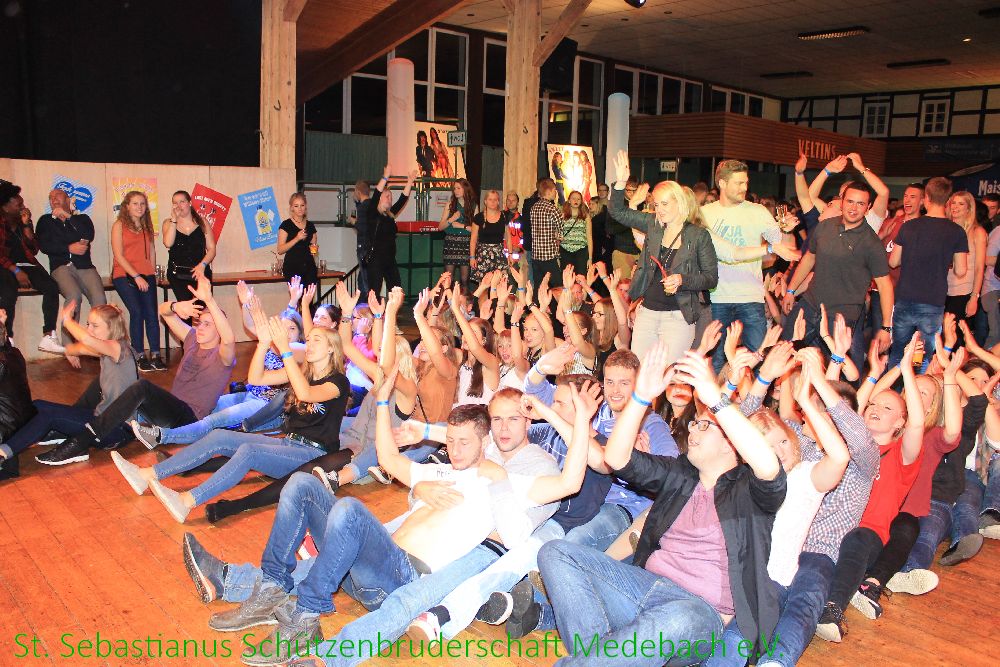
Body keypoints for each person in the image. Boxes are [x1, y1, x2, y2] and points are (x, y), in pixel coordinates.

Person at [536, 343, 785, 666]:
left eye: (704, 424)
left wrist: (715, 396)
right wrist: (640, 398)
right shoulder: (680, 473)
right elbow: (616, 458)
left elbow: (769, 465)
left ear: (730, 443)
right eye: (694, 423)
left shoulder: (749, 491)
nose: (693, 429)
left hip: (698, 612)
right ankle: (605, 658)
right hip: (642, 586)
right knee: (556, 553)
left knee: (677, 618)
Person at [110, 305, 349, 524]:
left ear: (331, 348)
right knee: (219, 436)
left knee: (249, 451)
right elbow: (256, 378)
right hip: (289, 444)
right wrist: (263, 343)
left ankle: (187, 501)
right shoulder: (302, 373)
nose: (309, 343)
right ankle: (146, 475)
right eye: (309, 339)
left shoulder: (339, 382)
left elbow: (306, 394)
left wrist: (285, 350)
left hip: (312, 455)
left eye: (316, 339)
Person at [42, 276, 236, 463]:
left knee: (142, 387)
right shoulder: (193, 339)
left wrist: (209, 300)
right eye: (199, 322)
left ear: (219, 329)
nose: (200, 327)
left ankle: (81, 440)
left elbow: (229, 339)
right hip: (171, 410)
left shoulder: (222, 356)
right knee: (104, 384)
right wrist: (175, 306)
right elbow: (163, 312)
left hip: (189, 420)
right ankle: (67, 427)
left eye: (207, 324)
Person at [608, 151, 719, 362]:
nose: (659, 210)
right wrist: (620, 183)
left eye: (665, 204)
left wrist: (682, 280)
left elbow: (710, 278)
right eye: (656, 205)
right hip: (647, 313)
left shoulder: (697, 235)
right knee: (640, 372)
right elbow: (618, 212)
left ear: (680, 202)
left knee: (668, 373)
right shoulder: (653, 224)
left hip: (677, 316)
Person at [9, 303, 137, 467]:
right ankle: (54, 433)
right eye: (88, 324)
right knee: (38, 405)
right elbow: (82, 347)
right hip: (100, 419)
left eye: (95, 326)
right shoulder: (108, 350)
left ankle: (5, 451)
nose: (89, 329)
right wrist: (69, 351)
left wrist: (67, 320)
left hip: (116, 429)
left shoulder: (119, 348)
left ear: (111, 327)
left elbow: (86, 340)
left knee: (50, 416)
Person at [782, 183, 894, 365]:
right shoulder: (825, 226)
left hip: (841, 316)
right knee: (784, 356)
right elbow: (809, 258)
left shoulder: (871, 243)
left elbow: (885, 286)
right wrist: (790, 291)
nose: (854, 208)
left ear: (868, 208)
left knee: (831, 370)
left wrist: (886, 327)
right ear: (841, 202)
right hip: (809, 305)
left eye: (860, 204)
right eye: (850, 201)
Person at [701, 159, 784, 371]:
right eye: (738, 183)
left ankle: (756, 393)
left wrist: (782, 227)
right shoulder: (705, 213)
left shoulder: (758, 211)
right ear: (722, 183)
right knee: (716, 360)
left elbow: (777, 243)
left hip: (751, 296)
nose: (744, 188)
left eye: (746, 182)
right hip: (718, 296)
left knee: (757, 358)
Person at [888, 177, 969, 369]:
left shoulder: (909, 226)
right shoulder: (957, 232)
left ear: (926, 198)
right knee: (924, 356)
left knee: (898, 351)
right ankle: (921, 386)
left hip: (905, 297)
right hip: (933, 301)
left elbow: (893, 262)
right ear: (948, 200)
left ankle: (893, 386)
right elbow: (961, 270)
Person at [34, 188, 107, 350]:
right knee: (74, 296)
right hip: (60, 267)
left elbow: (88, 234)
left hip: (84, 266)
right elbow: (44, 245)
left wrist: (68, 216)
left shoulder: (81, 219)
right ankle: (69, 346)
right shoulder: (45, 221)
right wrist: (68, 248)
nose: (53, 199)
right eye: (50, 197)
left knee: (100, 299)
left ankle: (97, 342)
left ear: (68, 199)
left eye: (57, 196)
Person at [0, 181, 63, 353]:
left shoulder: (22, 223)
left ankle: (48, 335)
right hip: (6, 267)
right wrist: (16, 271)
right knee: (7, 293)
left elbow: (34, 250)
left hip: (26, 265)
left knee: (51, 286)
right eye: (18, 205)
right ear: (5, 207)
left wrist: (27, 226)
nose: (23, 208)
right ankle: (7, 338)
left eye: (22, 204)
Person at [111, 190, 163, 371]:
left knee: (151, 313)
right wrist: (136, 276)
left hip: (145, 274)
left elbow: (152, 251)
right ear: (127, 206)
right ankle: (139, 355)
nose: (139, 207)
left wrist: (152, 273)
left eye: (142, 204)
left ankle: (156, 354)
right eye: (135, 203)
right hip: (124, 274)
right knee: (137, 311)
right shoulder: (119, 225)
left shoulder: (146, 226)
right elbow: (119, 255)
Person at [365, 169, 415, 297]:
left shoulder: (390, 215)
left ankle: (393, 310)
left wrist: (410, 182)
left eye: (391, 197)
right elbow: (376, 193)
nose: (390, 199)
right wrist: (385, 177)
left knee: (397, 290)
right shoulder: (373, 213)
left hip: (390, 259)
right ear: (380, 198)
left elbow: (402, 199)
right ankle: (374, 310)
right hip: (375, 260)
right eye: (387, 196)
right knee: (374, 292)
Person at [945, 190, 987, 340]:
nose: (955, 207)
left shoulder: (977, 232)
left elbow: (979, 268)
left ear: (969, 208)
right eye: (953, 203)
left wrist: (974, 298)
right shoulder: (946, 229)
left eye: (961, 204)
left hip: (964, 291)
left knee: (956, 337)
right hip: (942, 290)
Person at [162, 190, 216, 303]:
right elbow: (168, 243)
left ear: (190, 203)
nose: (178, 206)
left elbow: (212, 249)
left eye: (182, 202)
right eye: (175, 203)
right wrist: (174, 220)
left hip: (200, 272)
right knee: (187, 308)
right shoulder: (168, 223)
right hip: (178, 274)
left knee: (202, 307)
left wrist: (202, 265)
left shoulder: (202, 222)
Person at [0, 308, 35, 479]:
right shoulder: (15, 353)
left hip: (5, 428)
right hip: (23, 422)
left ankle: (6, 467)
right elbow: (4, 343)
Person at [438, 179, 477, 288]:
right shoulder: (450, 204)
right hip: (451, 241)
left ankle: (464, 297)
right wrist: (452, 219)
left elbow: (475, 229)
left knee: (465, 279)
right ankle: (447, 298)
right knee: (448, 278)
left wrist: (462, 226)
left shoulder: (473, 206)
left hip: (466, 242)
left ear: (465, 189)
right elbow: (440, 227)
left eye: (458, 188)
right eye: (454, 188)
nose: (456, 191)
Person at [276, 193, 318, 292]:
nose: (300, 208)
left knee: (309, 298)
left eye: (302, 205)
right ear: (291, 208)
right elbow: (280, 250)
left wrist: (314, 249)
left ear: (305, 206)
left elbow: (313, 248)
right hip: (292, 267)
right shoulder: (286, 225)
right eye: (296, 206)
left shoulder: (310, 226)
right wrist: (296, 238)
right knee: (297, 297)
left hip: (309, 267)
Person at [470, 189, 510, 285]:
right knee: (483, 286)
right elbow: (473, 240)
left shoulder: (504, 217)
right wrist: (472, 257)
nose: (492, 202)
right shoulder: (478, 217)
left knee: (500, 286)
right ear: (485, 201)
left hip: (499, 254)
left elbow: (508, 238)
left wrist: (510, 254)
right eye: (490, 199)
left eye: (495, 199)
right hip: (483, 255)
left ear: (498, 201)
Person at [529, 178, 563, 288]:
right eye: (554, 190)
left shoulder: (534, 207)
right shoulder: (553, 209)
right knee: (557, 286)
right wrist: (558, 238)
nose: (556, 193)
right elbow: (562, 231)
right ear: (549, 191)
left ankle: (536, 300)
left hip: (536, 255)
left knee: (539, 286)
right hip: (549, 255)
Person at [559, 190, 592, 277]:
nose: (576, 201)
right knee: (567, 278)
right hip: (565, 251)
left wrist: (590, 258)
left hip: (581, 251)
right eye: (573, 198)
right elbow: (556, 232)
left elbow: (589, 236)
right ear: (569, 200)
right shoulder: (562, 215)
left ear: (581, 201)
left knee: (581, 278)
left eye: (578, 199)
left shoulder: (585, 216)